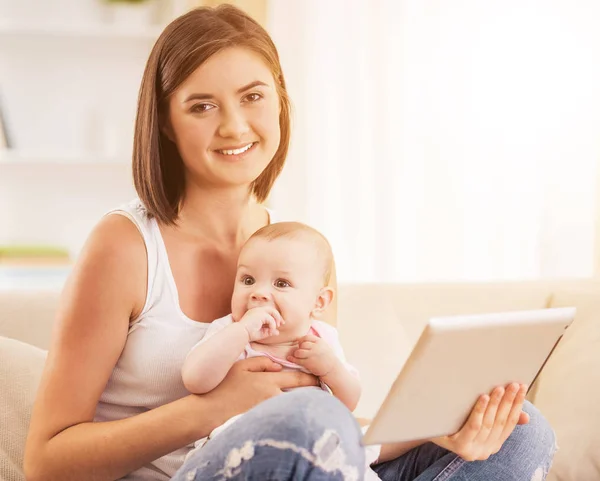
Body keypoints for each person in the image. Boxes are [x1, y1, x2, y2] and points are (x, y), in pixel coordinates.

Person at [23, 4, 556, 481]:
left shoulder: (298, 254)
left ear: (279, 99)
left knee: (522, 430)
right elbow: (47, 462)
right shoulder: (124, 245)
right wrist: (212, 407)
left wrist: (437, 430)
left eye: (252, 96)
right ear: (164, 121)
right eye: (202, 106)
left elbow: (322, 421)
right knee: (307, 420)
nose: (234, 126)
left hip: (298, 457)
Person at [181, 221, 382, 480]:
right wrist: (242, 332)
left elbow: (349, 402)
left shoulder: (322, 337)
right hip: (242, 457)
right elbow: (195, 379)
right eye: (248, 279)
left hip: (321, 453)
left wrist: (331, 369)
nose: (259, 293)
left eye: (282, 283)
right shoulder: (230, 331)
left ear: (319, 302)